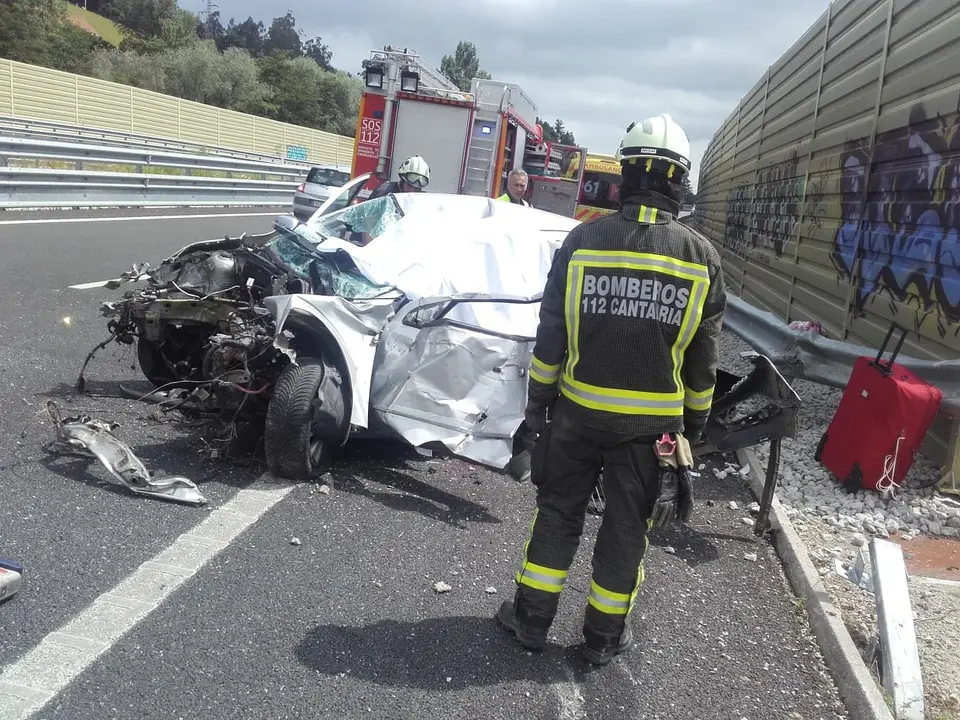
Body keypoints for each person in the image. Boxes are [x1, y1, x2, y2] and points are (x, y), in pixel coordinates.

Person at [496, 113, 726, 665]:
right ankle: (602, 638)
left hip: (576, 415)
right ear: (679, 180)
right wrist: (689, 433)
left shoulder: (582, 241)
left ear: (625, 173)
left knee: (558, 513)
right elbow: (703, 368)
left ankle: (530, 620)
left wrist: (537, 413)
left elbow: (551, 338)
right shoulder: (702, 260)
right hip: (651, 435)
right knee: (627, 530)